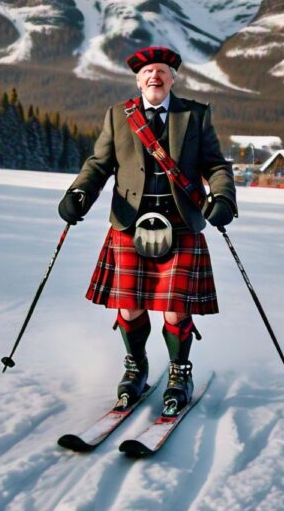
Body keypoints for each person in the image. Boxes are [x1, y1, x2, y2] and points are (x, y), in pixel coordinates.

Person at [58, 46, 237, 414]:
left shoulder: (195, 115)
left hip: (181, 223)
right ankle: (136, 367)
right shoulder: (118, 116)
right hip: (129, 225)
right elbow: (99, 164)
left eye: (162, 71)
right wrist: (79, 193)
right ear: (138, 80)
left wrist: (222, 198)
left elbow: (216, 165)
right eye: (148, 72)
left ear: (173, 78)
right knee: (130, 304)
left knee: (175, 309)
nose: (154, 76)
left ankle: (179, 372)